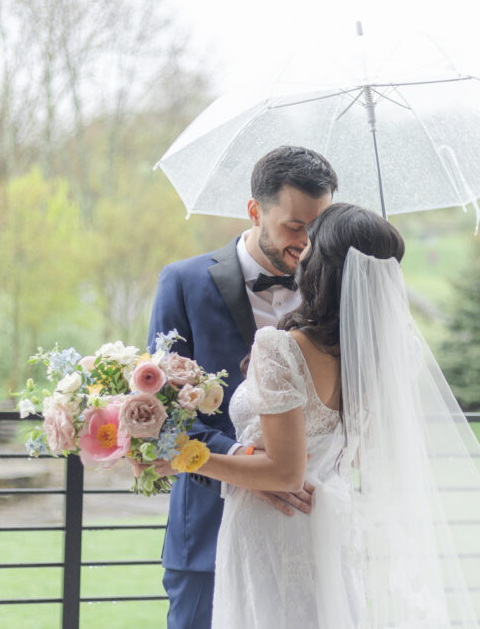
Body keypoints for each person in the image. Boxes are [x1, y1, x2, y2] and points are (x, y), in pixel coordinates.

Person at [160, 203, 480, 628]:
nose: (302, 254)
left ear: (324, 266)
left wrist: (185, 456)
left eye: (312, 247)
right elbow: (362, 454)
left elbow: (286, 474)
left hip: (272, 526)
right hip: (329, 521)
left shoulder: (279, 346)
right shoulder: (391, 353)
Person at [143, 145, 337, 629]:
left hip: (309, 528)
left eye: (320, 224)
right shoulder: (183, 283)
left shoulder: (339, 294)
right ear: (255, 211)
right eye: (295, 225)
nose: (308, 242)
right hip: (207, 527)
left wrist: (298, 469)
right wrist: (253, 464)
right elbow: (163, 412)